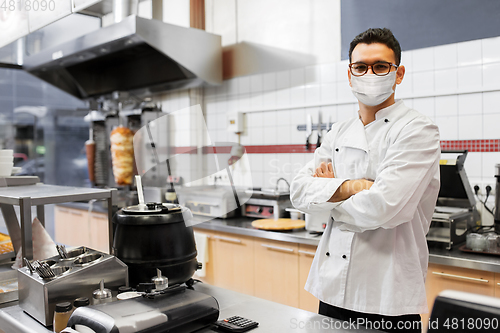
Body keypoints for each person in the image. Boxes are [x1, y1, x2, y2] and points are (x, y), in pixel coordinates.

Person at [290, 28, 440, 333]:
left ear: (398, 74)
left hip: (387, 294)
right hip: (331, 288)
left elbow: (382, 207)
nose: (369, 74)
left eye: (381, 66)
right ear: (350, 75)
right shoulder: (338, 131)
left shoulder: (418, 129)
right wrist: (354, 186)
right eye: (361, 67)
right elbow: (299, 192)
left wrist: (328, 196)